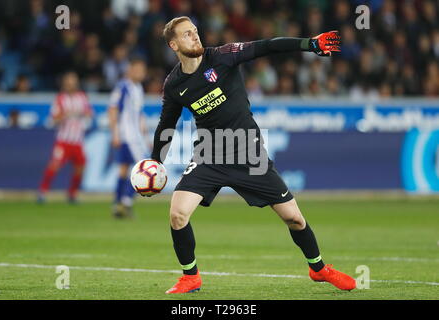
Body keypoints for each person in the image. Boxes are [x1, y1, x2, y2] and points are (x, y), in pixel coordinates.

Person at [150, 16, 355, 294]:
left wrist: (310, 44)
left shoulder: (223, 56)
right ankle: (191, 277)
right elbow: (167, 125)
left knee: (294, 219)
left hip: (249, 152)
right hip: (209, 154)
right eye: (187, 34)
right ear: (173, 44)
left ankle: (318, 268)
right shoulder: (174, 84)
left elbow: (267, 46)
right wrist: (155, 164)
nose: (195, 37)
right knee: (177, 214)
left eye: (195, 32)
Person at [38, 71, 92, 203]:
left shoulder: (82, 97)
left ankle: (72, 194)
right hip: (63, 140)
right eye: (68, 82)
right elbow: (53, 119)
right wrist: (65, 115)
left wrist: (85, 115)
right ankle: (42, 192)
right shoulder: (60, 99)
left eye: (73, 82)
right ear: (64, 84)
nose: (71, 84)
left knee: (81, 167)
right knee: (54, 165)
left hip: (77, 141)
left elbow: (89, 113)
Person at [108, 58, 150, 218]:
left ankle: (117, 205)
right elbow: (112, 110)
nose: (141, 73)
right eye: (138, 70)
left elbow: (139, 115)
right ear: (130, 70)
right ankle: (125, 202)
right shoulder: (123, 86)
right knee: (145, 169)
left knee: (124, 170)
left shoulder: (138, 88)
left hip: (136, 137)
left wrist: (146, 138)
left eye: (143, 71)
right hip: (128, 136)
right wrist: (115, 134)